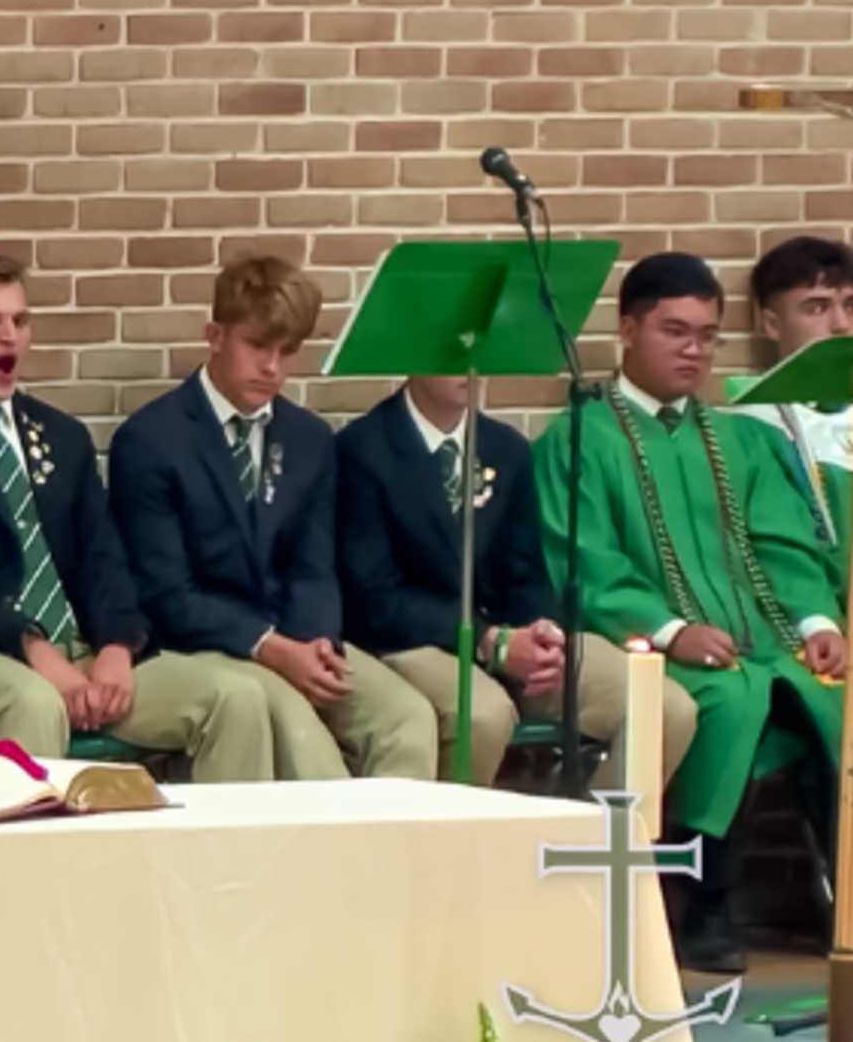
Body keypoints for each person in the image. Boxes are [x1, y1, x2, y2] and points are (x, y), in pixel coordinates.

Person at [534, 251, 847, 973]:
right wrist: (674, 631)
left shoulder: (744, 438)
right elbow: (586, 562)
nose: (694, 350)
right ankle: (705, 900)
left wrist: (816, 625)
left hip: (763, 639)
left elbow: (784, 544)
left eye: (707, 334)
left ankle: (844, 897)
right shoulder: (582, 439)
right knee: (731, 702)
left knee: (827, 698)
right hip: (656, 648)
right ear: (628, 329)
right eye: (675, 331)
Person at [0, 251, 276, 780]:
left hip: (78, 650)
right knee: (34, 704)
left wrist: (118, 649)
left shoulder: (62, 436)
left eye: (20, 321)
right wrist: (34, 649)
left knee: (236, 698)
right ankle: (42, 864)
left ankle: (220, 863)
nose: (10, 336)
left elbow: (105, 559)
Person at [108, 255, 437, 780]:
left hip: (298, 639)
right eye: (258, 346)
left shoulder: (309, 439)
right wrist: (270, 648)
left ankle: (385, 859)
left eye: (288, 352)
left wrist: (315, 644)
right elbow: (164, 592)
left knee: (407, 718)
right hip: (205, 646)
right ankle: (324, 860)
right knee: (301, 735)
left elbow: (314, 566)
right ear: (215, 335)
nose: (273, 368)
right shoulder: (150, 441)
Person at [339, 376, 698, 787]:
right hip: (414, 640)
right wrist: (491, 642)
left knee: (664, 706)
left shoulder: (505, 448)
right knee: (482, 715)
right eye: (454, 354)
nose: (471, 369)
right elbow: (374, 599)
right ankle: (450, 848)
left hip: (508, 635)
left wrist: (541, 632)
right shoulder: (362, 450)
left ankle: (594, 845)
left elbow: (524, 571)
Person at [721, 236, 853, 602]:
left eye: (851, 305)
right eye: (817, 308)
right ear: (772, 324)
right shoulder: (752, 425)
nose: (841, 325)